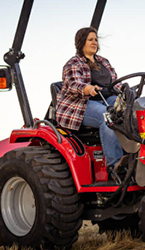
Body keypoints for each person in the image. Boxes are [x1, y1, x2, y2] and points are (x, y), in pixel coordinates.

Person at [55, 27, 124, 179]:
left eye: (95, 39)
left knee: (130, 110)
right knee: (107, 116)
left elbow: (115, 82)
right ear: (81, 43)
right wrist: (87, 88)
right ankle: (115, 166)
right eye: (90, 40)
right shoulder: (73, 63)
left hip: (106, 99)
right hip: (79, 105)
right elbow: (73, 85)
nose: (94, 42)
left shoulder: (104, 62)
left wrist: (125, 93)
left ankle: (135, 156)